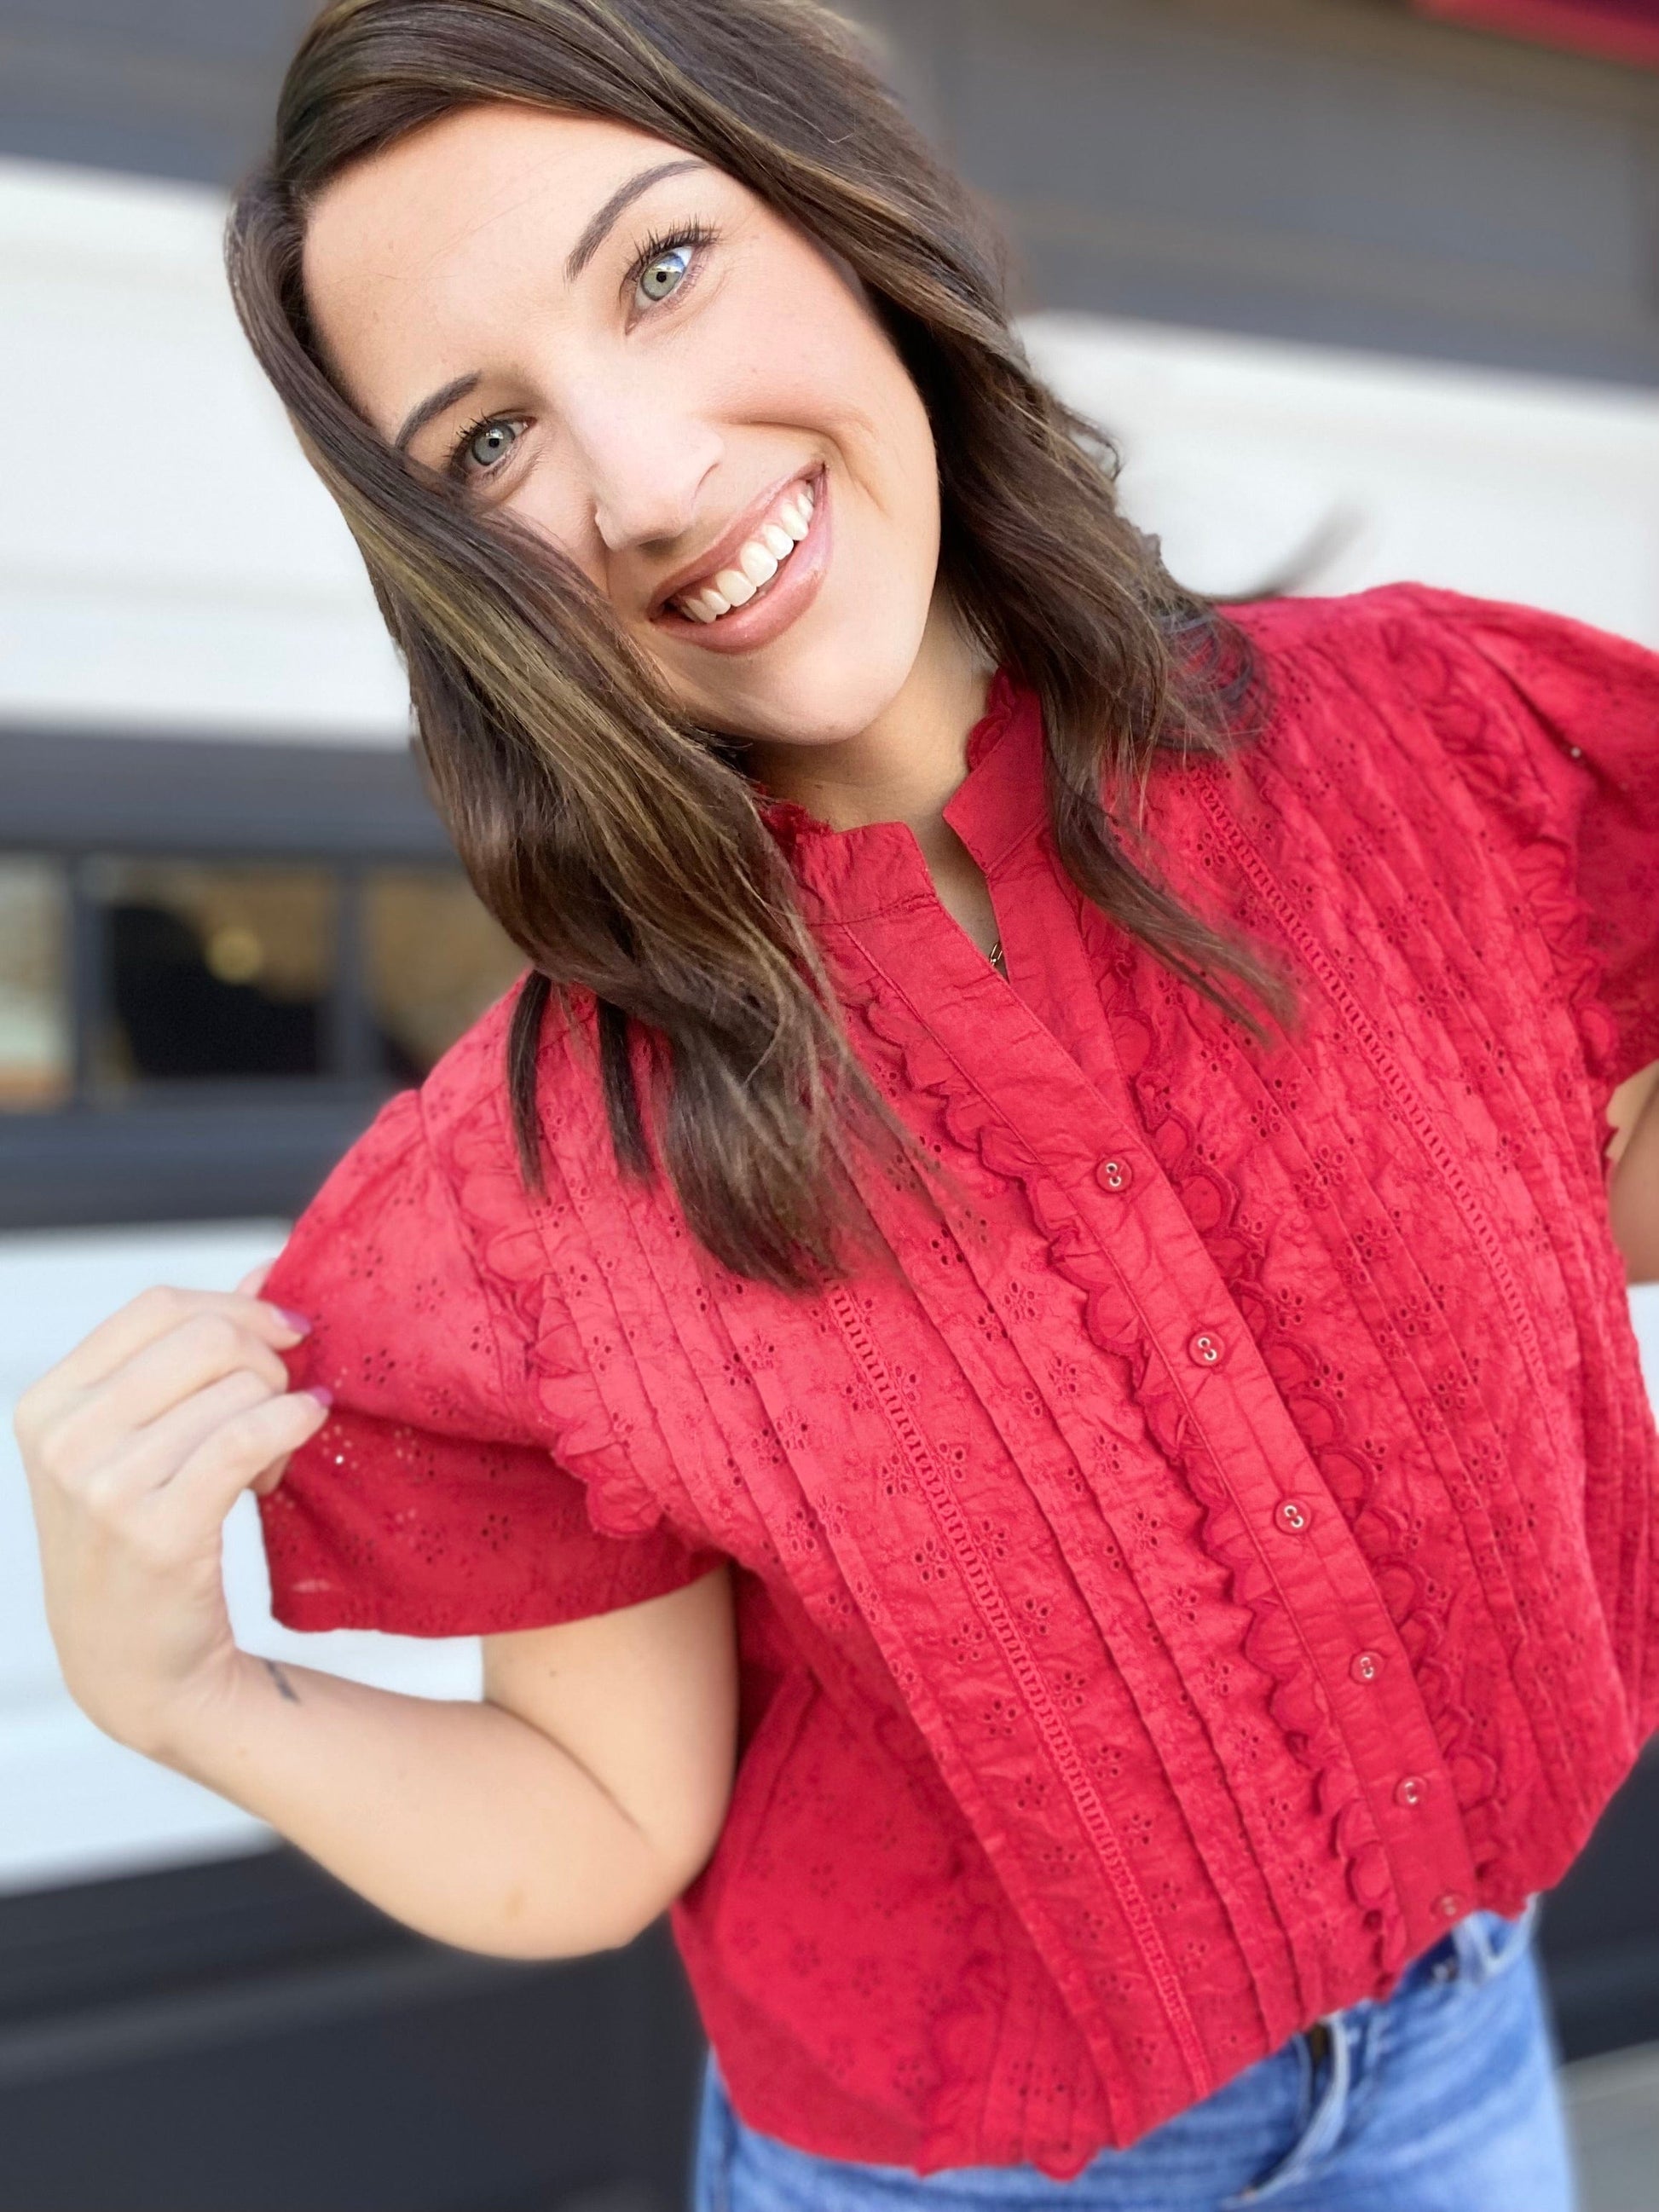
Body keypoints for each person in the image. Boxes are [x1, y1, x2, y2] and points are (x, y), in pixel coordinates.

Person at [17, 1, 1659, 2203]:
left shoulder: (1416, 738)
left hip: (1460, 2071)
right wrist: (182, 1693)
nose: (649, 481)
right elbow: (605, 1820)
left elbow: (1602, 1192)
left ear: (831, 210)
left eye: (662, 267)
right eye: (487, 443)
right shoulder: (547, 1183)